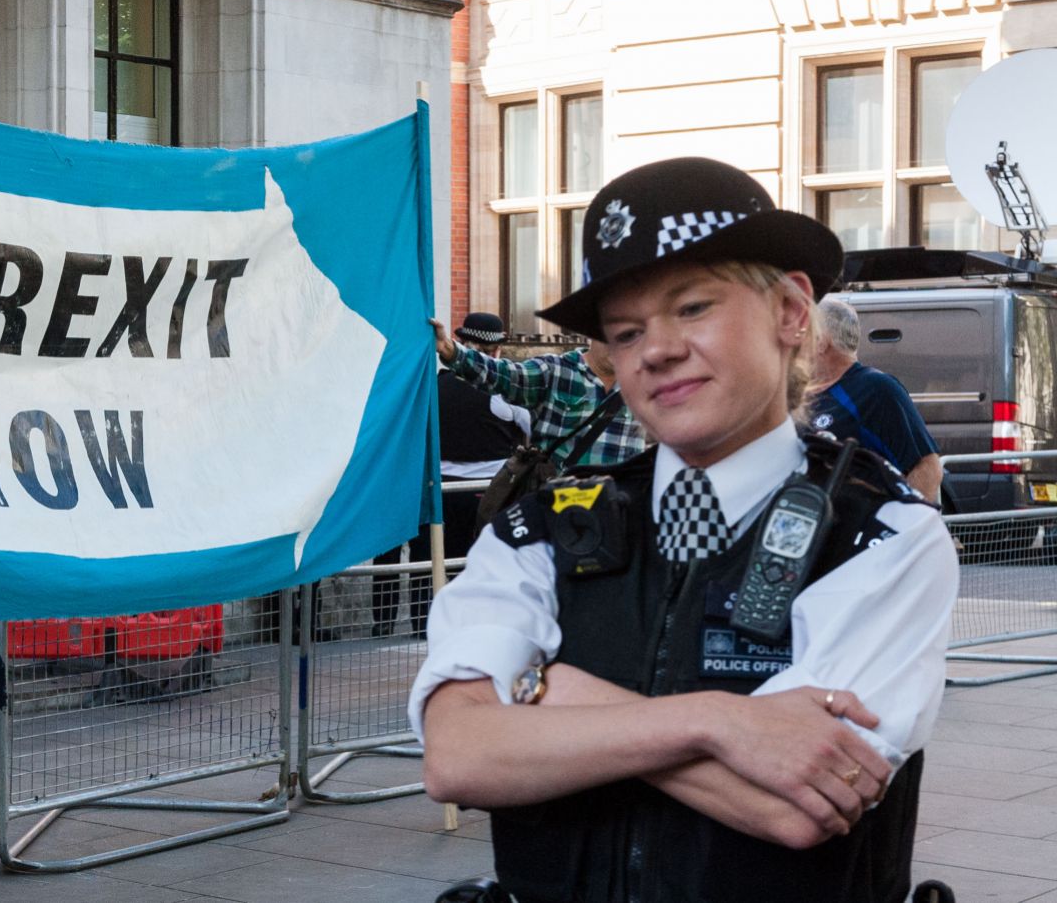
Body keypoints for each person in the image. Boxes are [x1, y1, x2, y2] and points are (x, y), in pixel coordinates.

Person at [409, 158, 957, 902]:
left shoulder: (884, 537)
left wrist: (554, 695)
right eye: (627, 332)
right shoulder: (537, 533)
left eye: (692, 308)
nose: (656, 350)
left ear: (793, 312)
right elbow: (458, 756)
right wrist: (715, 723)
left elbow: (800, 803)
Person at [373, 313, 530, 638]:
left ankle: (422, 625)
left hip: (435, 487)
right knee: (480, 560)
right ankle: (472, 625)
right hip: (488, 492)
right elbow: (534, 433)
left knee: (427, 561)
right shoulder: (507, 395)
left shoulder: (430, 387)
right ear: (497, 350)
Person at [430, 313, 644, 469]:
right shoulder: (555, 371)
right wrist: (450, 350)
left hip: (621, 511)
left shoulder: (644, 382)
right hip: (559, 510)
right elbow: (503, 374)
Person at [807, 298, 943, 501]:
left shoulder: (876, 389)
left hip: (858, 527)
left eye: (803, 334)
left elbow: (927, 467)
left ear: (821, 341)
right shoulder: (801, 394)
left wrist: (906, 524)